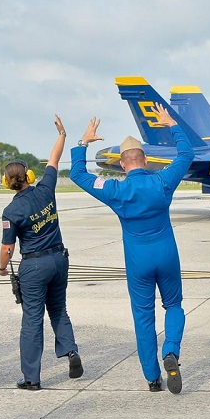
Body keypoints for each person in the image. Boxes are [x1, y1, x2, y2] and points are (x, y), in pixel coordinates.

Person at [69, 111, 194, 393]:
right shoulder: (163, 181)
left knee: (143, 316)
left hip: (138, 260)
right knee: (173, 305)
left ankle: (152, 378)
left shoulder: (116, 189)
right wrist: (173, 125)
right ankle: (171, 350)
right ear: (145, 160)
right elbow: (186, 155)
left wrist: (83, 142)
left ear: (122, 164)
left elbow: (77, 173)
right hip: (166, 254)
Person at [0, 115, 82, 390]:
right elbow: (54, 160)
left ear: (6, 182)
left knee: (32, 319)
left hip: (33, 266)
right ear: (29, 176)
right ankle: (70, 351)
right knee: (58, 308)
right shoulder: (46, 188)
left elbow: (8, 248)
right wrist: (62, 135)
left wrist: (1, 267)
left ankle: (32, 377)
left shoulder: (11, 211)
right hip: (59, 259)